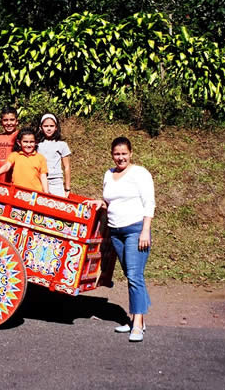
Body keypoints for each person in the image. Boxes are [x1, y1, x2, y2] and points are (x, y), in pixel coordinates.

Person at [84, 137, 155, 342]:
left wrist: (145, 231)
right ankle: (137, 319)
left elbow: (149, 203)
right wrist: (101, 203)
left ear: (131, 153)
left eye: (124, 153)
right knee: (131, 275)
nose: (120, 157)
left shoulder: (140, 173)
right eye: (117, 154)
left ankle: (137, 324)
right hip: (116, 232)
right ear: (112, 155)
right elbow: (110, 201)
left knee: (134, 276)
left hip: (135, 230)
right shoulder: (109, 174)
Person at [0, 126, 48, 193]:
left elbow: (43, 177)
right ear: (19, 143)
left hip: (34, 194)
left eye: (31, 142)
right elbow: (7, 166)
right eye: (25, 142)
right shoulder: (15, 155)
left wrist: (46, 193)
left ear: (36, 142)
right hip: (16, 193)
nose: (28, 145)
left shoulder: (40, 158)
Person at [37, 113, 71, 197]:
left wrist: (67, 188)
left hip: (56, 182)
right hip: (40, 180)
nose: (49, 129)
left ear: (56, 127)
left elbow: (66, 167)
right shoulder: (37, 145)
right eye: (46, 126)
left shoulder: (62, 145)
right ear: (40, 128)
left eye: (51, 126)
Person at [0, 106, 19, 183]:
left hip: (16, 181)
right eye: (5, 120)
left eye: (12, 120)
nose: (9, 123)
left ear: (17, 121)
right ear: (1, 122)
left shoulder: (21, 136)